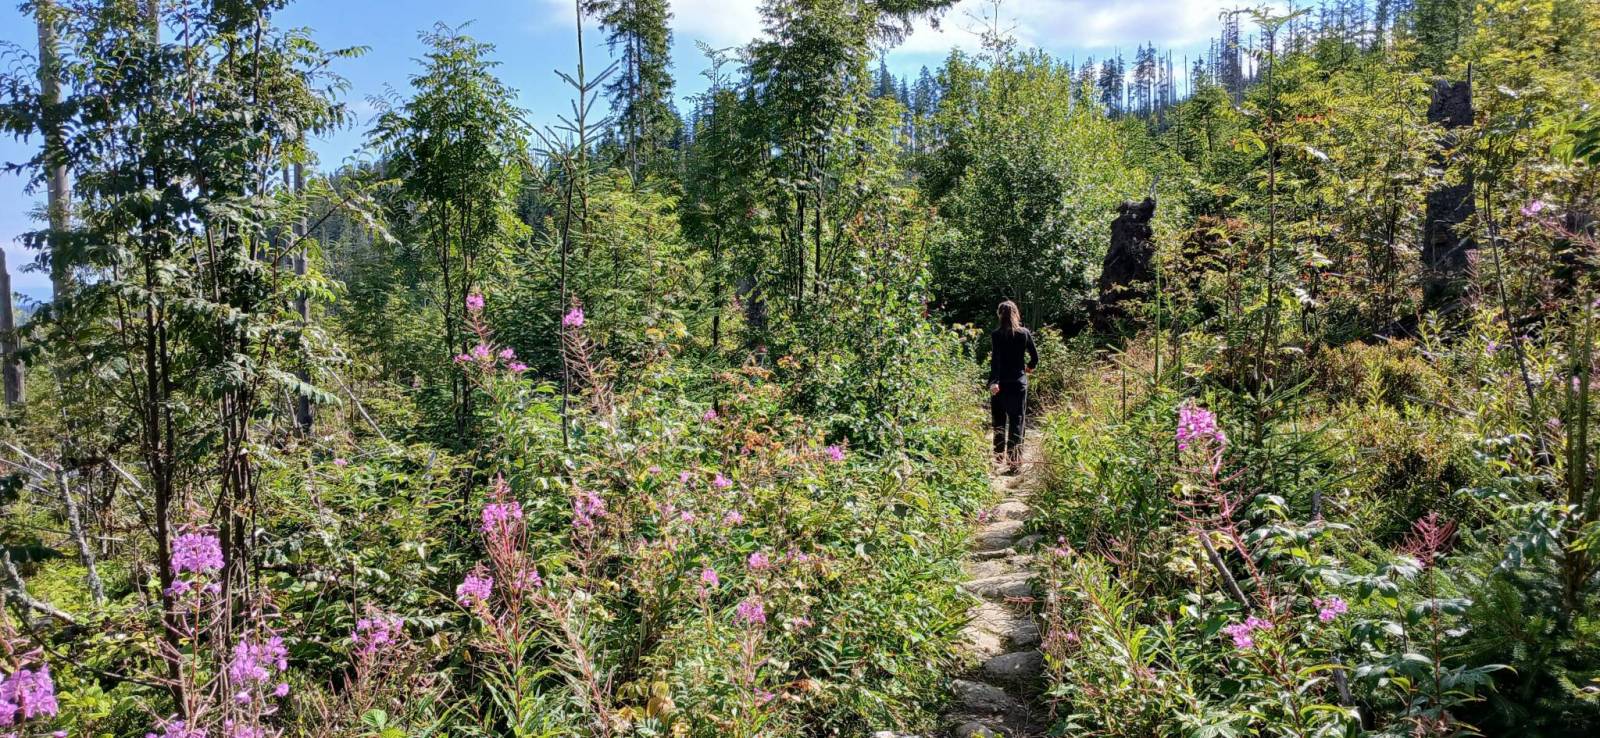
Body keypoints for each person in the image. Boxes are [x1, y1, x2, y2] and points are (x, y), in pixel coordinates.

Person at [988, 300, 1038, 473]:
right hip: (1018, 383)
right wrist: (1028, 368)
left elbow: (996, 360)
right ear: (1016, 313)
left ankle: (998, 457)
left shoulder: (996, 335)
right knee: (1017, 421)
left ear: (999, 314)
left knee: (999, 420)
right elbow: (1034, 358)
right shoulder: (1024, 333)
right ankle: (1014, 462)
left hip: (1000, 384)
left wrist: (994, 381)